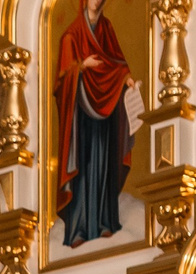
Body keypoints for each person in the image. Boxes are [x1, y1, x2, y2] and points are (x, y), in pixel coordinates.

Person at [52, 0, 137, 249]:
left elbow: (117, 63)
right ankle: (79, 228)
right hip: (81, 122)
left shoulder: (106, 28)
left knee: (104, 168)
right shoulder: (71, 35)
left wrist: (127, 78)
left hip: (106, 116)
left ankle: (104, 223)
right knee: (85, 168)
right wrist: (81, 67)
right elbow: (61, 83)